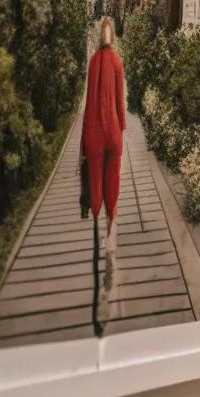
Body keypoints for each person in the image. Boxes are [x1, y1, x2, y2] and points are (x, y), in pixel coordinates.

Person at [81, 16, 126, 291]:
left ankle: (97, 232)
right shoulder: (118, 62)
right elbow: (121, 105)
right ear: (114, 36)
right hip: (113, 135)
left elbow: (88, 103)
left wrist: (85, 140)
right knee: (113, 190)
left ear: (100, 36)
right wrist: (120, 128)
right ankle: (111, 243)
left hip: (94, 133)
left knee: (95, 188)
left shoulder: (93, 62)